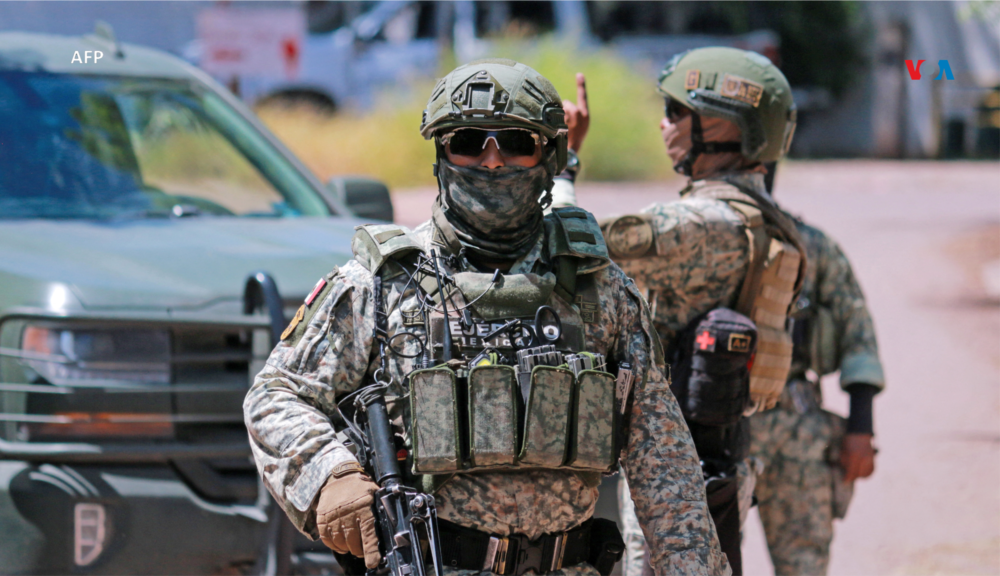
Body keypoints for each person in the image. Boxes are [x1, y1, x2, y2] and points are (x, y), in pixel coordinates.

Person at [243, 59, 730, 576]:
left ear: (550, 157)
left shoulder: (600, 289)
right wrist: (330, 475)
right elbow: (276, 394)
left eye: (517, 142)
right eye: (470, 141)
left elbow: (663, 455)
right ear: (441, 155)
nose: (492, 162)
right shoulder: (383, 283)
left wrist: (690, 564)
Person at [555, 47, 808, 576]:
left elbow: (563, 249)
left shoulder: (697, 225)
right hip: (728, 454)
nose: (664, 124)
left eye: (676, 112)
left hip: (672, 468)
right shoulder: (774, 224)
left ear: (722, 125)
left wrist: (563, 160)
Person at [749, 161, 883, 576]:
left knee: (804, 563)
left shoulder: (809, 245)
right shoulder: (690, 236)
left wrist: (861, 426)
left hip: (793, 422)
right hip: (710, 424)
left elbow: (856, 331)